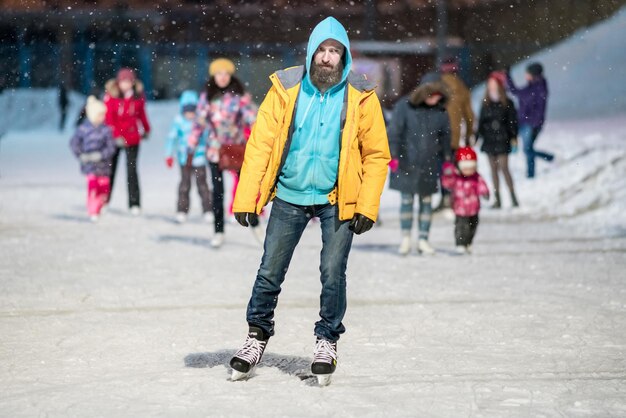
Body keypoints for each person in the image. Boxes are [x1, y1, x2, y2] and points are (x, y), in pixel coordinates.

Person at [227, 17, 390, 385]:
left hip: (338, 198)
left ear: (344, 57)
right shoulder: (285, 89)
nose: (328, 58)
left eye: (335, 51)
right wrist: (247, 196)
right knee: (271, 269)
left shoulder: (361, 97)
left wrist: (366, 205)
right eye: (322, 50)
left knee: (333, 272)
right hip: (289, 194)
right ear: (311, 53)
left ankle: (327, 340)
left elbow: (376, 155)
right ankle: (256, 335)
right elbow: (260, 145)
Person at [190, 58, 258, 248]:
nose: (222, 77)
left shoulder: (239, 96)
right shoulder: (207, 97)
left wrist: (257, 125)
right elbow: (199, 122)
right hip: (215, 150)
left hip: (237, 148)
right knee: (218, 191)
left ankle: (255, 221)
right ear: (213, 76)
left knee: (247, 188)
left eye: (226, 73)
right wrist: (192, 142)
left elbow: (251, 116)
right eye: (219, 73)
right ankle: (218, 230)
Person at [388, 72, 452, 256]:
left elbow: (446, 136)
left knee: (426, 202)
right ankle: (406, 238)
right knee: (406, 201)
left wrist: (447, 159)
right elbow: (394, 133)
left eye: (439, 94)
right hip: (406, 161)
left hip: (429, 164)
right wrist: (393, 157)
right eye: (432, 94)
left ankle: (424, 239)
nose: (435, 98)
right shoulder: (404, 107)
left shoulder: (440, 111)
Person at [104, 68, 151, 215]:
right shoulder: (111, 97)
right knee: (110, 170)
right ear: (118, 82)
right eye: (123, 81)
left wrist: (146, 129)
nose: (126, 84)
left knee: (132, 171)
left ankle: (134, 203)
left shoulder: (137, 97)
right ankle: (104, 200)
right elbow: (109, 118)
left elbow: (141, 115)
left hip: (132, 138)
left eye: (129, 81)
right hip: (114, 138)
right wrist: (117, 135)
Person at [165, 90, 213, 224]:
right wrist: (169, 155)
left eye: (192, 110)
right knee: (184, 185)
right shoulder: (179, 121)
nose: (190, 113)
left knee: (202, 185)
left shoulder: (201, 122)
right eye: (187, 110)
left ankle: (208, 210)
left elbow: (208, 137)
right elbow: (172, 138)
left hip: (199, 158)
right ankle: (182, 210)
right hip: (184, 159)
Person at [69, 96, 116, 222]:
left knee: (104, 189)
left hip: (104, 166)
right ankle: (93, 210)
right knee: (93, 188)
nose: (103, 117)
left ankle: (101, 205)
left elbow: (111, 146)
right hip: (90, 166)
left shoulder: (106, 130)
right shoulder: (83, 129)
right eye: (100, 115)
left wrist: (102, 155)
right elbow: (74, 143)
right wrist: (81, 155)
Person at [477, 72, 519, 208]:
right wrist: (477, 137)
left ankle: (513, 197)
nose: (491, 87)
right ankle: (498, 199)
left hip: (503, 139)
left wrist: (513, 137)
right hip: (489, 140)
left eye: (494, 84)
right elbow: (481, 123)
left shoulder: (507, 103)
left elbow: (512, 122)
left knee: (504, 168)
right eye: (490, 85)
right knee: (493, 170)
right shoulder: (485, 103)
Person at [438, 57, 474, 211]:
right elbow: (469, 115)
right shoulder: (462, 88)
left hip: (437, 135)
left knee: (441, 168)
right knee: (452, 167)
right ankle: (455, 197)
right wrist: (469, 135)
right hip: (454, 137)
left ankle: (445, 197)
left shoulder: (437, 85)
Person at [506, 62, 553, 178]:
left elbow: (517, 93)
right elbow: (516, 92)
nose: (525, 75)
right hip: (525, 122)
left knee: (527, 150)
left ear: (533, 74)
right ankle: (531, 173)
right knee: (528, 149)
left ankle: (546, 159)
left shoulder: (539, 88)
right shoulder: (532, 87)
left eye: (527, 73)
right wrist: (507, 76)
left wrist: (535, 124)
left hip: (531, 124)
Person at [442, 147, 490, 254]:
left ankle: (468, 242)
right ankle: (460, 243)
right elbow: (447, 184)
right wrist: (448, 174)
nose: (469, 171)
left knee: (473, 226)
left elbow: (481, 185)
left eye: (471, 168)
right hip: (460, 208)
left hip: (474, 208)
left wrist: (485, 192)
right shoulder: (455, 177)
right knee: (461, 227)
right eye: (466, 168)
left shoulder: (476, 177)